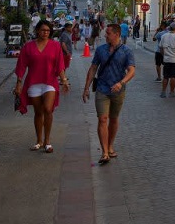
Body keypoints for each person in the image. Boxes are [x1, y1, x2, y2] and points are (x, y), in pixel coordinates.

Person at [82, 23, 136, 165]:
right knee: (102, 119)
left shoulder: (126, 51)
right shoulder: (101, 50)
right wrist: (86, 88)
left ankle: (110, 145)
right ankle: (105, 152)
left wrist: (121, 83)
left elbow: (131, 70)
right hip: (102, 88)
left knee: (113, 118)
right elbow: (93, 68)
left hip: (118, 90)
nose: (105, 35)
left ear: (116, 34)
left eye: (108, 33)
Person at [14, 20, 70, 153]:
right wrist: (19, 84)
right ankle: (39, 140)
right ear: (37, 31)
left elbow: (59, 65)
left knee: (48, 109)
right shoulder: (28, 47)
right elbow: (21, 65)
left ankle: (47, 141)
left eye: (48, 31)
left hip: (50, 82)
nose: (45, 33)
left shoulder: (55, 46)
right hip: (33, 83)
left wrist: (64, 80)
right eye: (43, 30)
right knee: (38, 112)